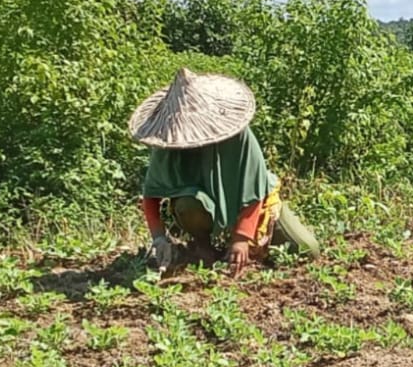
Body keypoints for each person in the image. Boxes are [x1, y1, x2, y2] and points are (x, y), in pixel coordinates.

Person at [130, 69, 319, 276]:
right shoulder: (168, 142)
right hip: (201, 208)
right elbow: (151, 194)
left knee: (308, 249)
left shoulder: (239, 138)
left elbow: (255, 190)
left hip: (253, 205)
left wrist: (242, 238)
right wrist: (158, 238)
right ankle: (203, 247)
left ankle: (245, 246)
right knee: (186, 205)